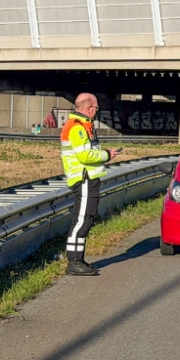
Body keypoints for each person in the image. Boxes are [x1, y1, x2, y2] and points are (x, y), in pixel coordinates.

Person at [60, 94, 121, 276]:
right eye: (96, 108)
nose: (96, 112)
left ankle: (79, 259)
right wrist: (107, 155)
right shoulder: (77, 128)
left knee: (86, 218)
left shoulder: (84, 125)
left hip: (88, 179)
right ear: (88, 108)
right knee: (82, 220)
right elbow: (85, 156)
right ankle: (74, 262)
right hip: (83, 178)